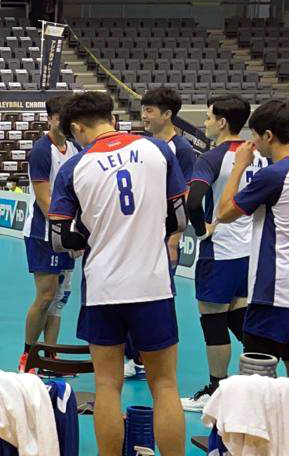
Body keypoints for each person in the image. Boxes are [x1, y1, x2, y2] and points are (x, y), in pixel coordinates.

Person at [48, 91, 188, 456]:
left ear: (77, 128)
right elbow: (179, 217)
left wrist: (90, 233)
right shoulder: (157, 150)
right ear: (111, 117)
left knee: (108, 386)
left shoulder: (74, 167)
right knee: (165, 385)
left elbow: (60, 239)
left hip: (104, 288)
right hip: (152, 285)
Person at [216, 99, 289, 386]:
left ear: (268, 135)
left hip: (275, 295)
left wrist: (239, 167)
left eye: (255, 136)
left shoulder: (275, 175)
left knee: (255, 384)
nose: (253, 143)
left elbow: (224, 212)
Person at [180, 95, 268, 413]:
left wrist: (201, 230)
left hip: (221, 249)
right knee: (237, 314)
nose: (204, 123)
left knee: (213, 320)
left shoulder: (213, 158)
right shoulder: (259, 156)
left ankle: (217, 390)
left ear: (222, 122)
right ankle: (262, 375)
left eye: (208, 117)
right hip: (250, 250)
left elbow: (193, 201)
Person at [121, 87, 197, 379]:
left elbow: (184, 195)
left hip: (164, 238)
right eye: (143, 109)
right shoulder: (144, 145)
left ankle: (149, 359)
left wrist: (174, 238)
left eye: (150, 111)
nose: (144, 116)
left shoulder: (182, 149)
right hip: (140, 235)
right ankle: (135, 355)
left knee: (159, 298)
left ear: (167, 114)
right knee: (132, 293)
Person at [19, 94, 80, 374]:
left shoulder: (76, 148)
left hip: (67, 231)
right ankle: (28, 356)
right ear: (50, 119)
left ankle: (50, 358)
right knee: (45, 296)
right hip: (44, 233)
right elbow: (45, 200)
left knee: (59, 300)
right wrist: (66, 232)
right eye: (60, 118)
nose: (64, 123)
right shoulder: (42, 151)